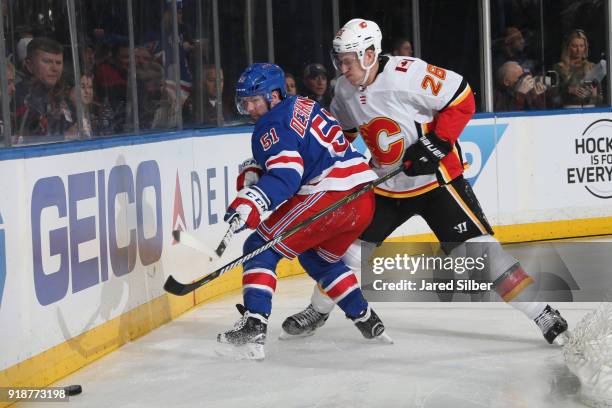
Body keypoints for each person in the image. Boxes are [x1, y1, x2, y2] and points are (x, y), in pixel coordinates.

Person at [282, 18, 569, 346]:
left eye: (348, 60)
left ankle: (542, 312)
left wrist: (438, 143)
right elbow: (340, 134)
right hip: (385, 185)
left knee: (481, 255)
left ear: (369, 54)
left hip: (437, 182)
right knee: (347, 253)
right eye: (339, 61)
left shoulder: (408, 74)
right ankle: (318, 310)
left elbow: (462, 97)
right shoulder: (345, 90)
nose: (342, 68)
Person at [216, 62, 392, 360]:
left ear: (274, 96)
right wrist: (258, 168)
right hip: (362, 198)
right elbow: (300, 149)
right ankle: (366, 319)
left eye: (255, 100)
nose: (249, 107)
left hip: (330, 197)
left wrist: (251, 202)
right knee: (318, 259)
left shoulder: (269, 125)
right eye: (244, 101)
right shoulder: (302, 103)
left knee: (259, 247)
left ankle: (254, 326)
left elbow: (287, 176)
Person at [15, 37, 73, 140]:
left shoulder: (62, 94)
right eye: (47, 61)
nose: (54, 68)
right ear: (29, 65)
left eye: (58, 63)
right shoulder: (17, 97)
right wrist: (65, 136)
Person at [551, 29, 602, 108]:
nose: (578, 50)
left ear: (586, 47)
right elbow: (550, 94)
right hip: (567, 111)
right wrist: (568, 90)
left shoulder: (592, 67)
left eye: (581, 46)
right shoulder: (557, 67)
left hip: (590, 111)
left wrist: (594, 94)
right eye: (574, 46)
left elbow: (601, 98)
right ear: (568, 47)